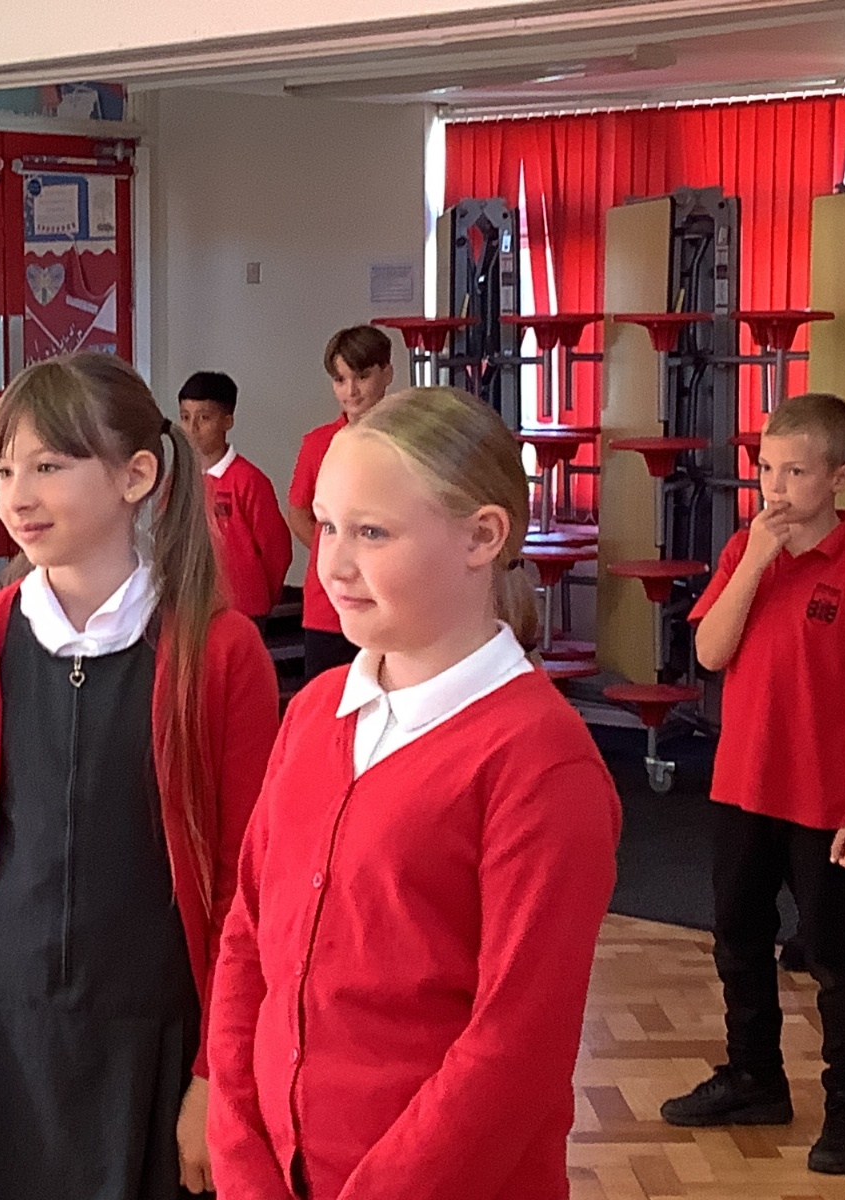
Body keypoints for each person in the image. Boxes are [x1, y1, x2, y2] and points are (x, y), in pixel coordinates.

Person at [208, 387, 619, 1200]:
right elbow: (249, 943)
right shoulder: (315, 714)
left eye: (372, 532)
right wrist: (242, 1159)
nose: (332, 564)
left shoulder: (539, 762)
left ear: (482, 536)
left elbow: (515, 1047)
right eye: (327, 525)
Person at [0, 353, 281, 1200]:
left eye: (48, 466)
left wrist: (218, 1074)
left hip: (159, 1045)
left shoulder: (219, 653)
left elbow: (247, 888)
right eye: (5, 470)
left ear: (136, 476)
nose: (17, 495)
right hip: (3, 1040)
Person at [661, 394, 845, 1175]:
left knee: (833, 953)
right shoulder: (744, 550)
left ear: (840, 477)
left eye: (795, 472)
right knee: (737, 936)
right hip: (742, 787)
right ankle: (754, 1078)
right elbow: (710, 653)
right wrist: (757, 561)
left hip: (824, 800)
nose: (775, 486)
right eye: (766, 468)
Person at [288, 326, 394, 679]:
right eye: (340, 379)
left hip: (390, 596)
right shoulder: (317, 443)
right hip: (328, 605)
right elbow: (299, 513)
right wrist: (338, 552)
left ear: (387, 373)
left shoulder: (408, 444)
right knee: (327, 697)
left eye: (362, 376)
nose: (351, 390)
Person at [177, 370, 293, 623]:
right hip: (190, 609)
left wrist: (262, 597)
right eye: (185, 417)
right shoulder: (177, 481)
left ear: (227, 421)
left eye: (204, 418)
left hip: (243, 611)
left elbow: (277, 551)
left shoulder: (249, 481)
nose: (193, 428)